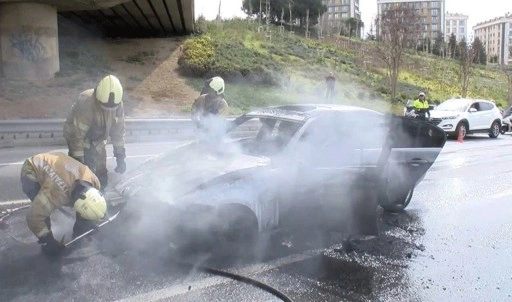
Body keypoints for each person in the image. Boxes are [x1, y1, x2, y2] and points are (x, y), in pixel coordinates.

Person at [20, 152, 107, 257]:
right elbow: (33, 218)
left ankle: (78, 233)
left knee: (84, 219)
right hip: (32, 169)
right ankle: (47, 244)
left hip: (60, 164)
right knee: (41, 211)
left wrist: (90, 222)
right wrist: (48, 240)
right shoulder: (56, 192)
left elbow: (92, 205)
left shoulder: (94, 181)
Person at [63, 75, 127, 190]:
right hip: (78, 137)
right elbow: (77, 136)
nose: (108, 111)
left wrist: (120, 157)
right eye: (104, 108)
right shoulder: (86, 103)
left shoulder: (118, 104)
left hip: (98, 138)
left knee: (101, 169)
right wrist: (78, 162)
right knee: (85, 174)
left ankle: (101, 193)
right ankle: (80, 195)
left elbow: (118, 132)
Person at [191, 76, 229, 142]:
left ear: (216, 91)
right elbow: (194, 111)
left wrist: (210, 129)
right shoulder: (202, 99)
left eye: (210, 89)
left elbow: (220, 123)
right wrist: (198, 122)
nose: (208, 91)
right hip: (201, 135)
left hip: (215, 139)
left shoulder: (222, 105)